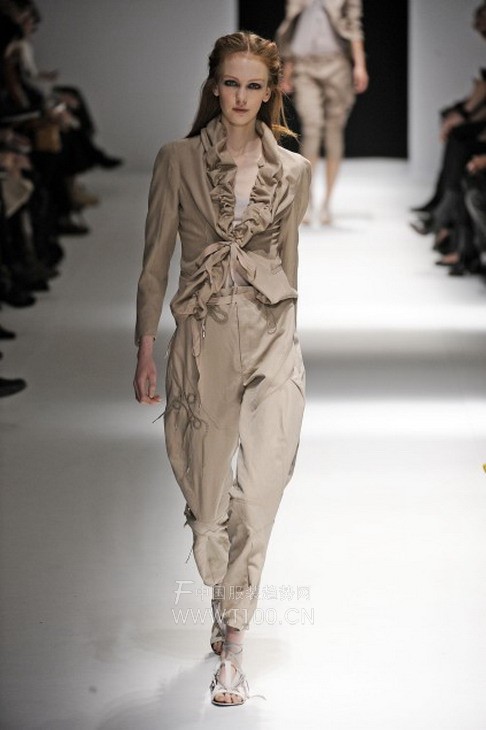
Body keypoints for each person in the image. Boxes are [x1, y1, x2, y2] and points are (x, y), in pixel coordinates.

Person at [133, 31, 311, 706]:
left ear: (269, 94)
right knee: (209, 507)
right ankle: (218, 578)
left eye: (253, 86)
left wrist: (289, 344)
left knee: (259, 496)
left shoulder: (291, 171)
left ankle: (235, 646)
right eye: (231, 83)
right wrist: (144, 346)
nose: (240, 96)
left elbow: (289, 265)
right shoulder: (177, 160)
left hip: (272, 341)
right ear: (215, 85)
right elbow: (155, 261)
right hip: (202, 341)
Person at [276, 0, 368, 225]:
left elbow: (353, 25)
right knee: (312, 128)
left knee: (334, 130)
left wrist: (359, 65)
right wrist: (287, 71)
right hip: (304, 65)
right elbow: (293, 27)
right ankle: (308, 202)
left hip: (337, 63)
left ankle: (327, 202)